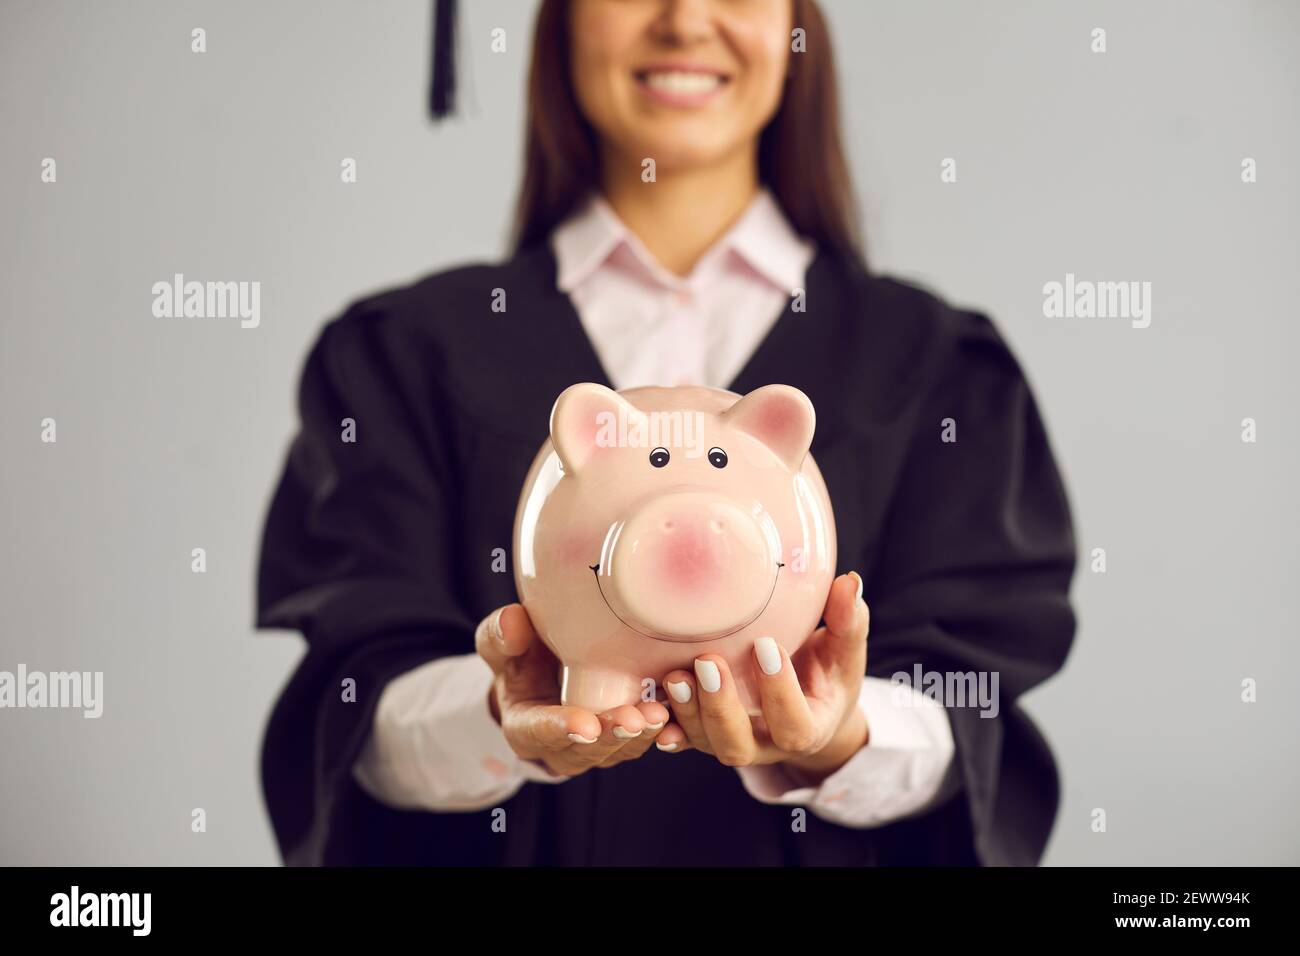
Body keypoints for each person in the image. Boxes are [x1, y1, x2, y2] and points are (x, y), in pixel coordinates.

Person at [255, 0, 1076, 866]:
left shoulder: (940, 366)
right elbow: (350, 707)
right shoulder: (402, 355)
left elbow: (972, 709)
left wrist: (840, 736)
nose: (686, 21)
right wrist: (501, 717)